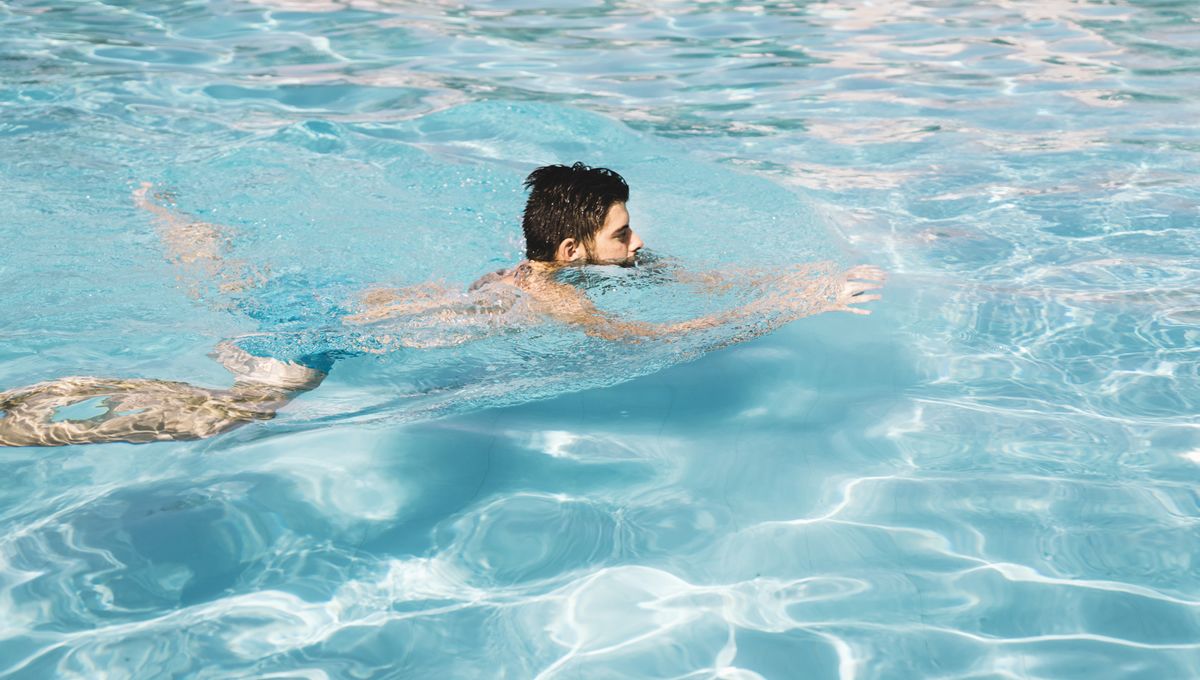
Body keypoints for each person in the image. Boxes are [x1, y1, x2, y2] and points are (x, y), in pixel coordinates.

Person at [0, 163, 883, 447]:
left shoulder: (559, 266)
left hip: (335, 295)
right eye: (624, 233)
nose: (638, 244)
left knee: (230, 271)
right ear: (572, 253)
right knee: (237, 414)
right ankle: (55, 413)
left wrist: (789, 274)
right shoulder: (557, 303)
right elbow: (659, 341)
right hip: (330, 332)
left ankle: (163, 212)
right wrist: (792, 309)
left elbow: (689, 283)